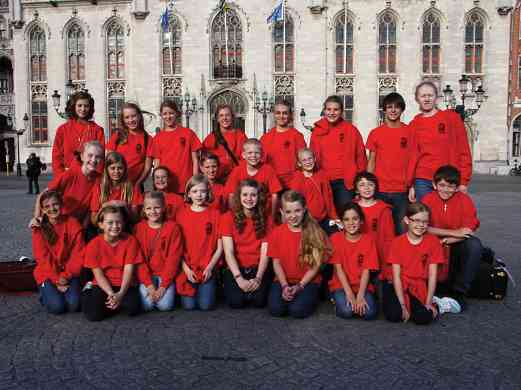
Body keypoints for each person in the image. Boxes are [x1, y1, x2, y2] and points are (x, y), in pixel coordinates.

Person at [383, 203, 459, 325]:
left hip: (419, 286)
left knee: (423, 318)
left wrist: (428, 303)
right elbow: (396, 276)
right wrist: (402, 305)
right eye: (417, 220)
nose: (421, 225)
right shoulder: (397, 242)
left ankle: (439, 304)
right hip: (399, 284)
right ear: (407, 220)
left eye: (425, 222)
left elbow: (433, 276)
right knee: (394, 315)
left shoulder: (433, 242)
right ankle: (406, 305)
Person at [422, 165, 482, 310]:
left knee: (474, 245)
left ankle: (459, 292)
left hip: (455, 244)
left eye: (451, 186)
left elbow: (468, 231)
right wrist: (453, 233)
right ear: (434, 185)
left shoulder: (465, 200)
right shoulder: (427, 199)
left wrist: (447, 240)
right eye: (441, 185)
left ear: (456, 188)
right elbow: (421, 227)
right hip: (432, 243)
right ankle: (426, 287)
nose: (446, 190)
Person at [268, 190, 332, 319]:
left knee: (296, 311)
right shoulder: (277, 232)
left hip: (307, 281)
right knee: (276, 310)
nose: (293, 216)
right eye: (288, 212)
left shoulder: (315, 231)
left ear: (304, 210)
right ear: (282, 212)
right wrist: (284, 285)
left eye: (297, 211)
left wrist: (300, 286)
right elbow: (276, 262)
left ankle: (312, 296)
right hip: (283, 279)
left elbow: (315, 266)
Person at [407, 81, 472, 202]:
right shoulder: (414, 124)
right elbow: (412, 156)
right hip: (423, 180)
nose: (427, 99)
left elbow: (464, 151)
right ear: (417, 99)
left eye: (430, 95)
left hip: (448, 180)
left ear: (436, 97)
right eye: (423, 96)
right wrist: (411, 185)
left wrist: (463, 181)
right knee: (425, 218)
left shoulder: (452, 119)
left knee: (447, 219)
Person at [82, 205, 143, 321]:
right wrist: (111, 294)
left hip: (124, 282)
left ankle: (114, 304)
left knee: (133, 309)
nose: (115, 226)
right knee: (94, 316)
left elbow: (128, 270)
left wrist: (120, 294)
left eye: (118, 222)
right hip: (104, 282)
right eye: (110, 223)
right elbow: (98, 274)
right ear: (101, 225)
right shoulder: (94, 245)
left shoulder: (130, 241)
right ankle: (87, 291)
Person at [221, 179, 273, 308]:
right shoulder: (227, 217)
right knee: (236, 302)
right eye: (245, 195)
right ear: (239, 197)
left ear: (259, 197)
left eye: (253, 195)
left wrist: (258, 278)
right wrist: (239, 278)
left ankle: (252, 290)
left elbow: (265, 252)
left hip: (257, 267)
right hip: (236, 268)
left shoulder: (267, 219)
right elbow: (229, 252)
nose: (249, 199)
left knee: (259, 302)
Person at [310, 95, 367, 212]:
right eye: (329, 109)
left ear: (341, 111)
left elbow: (361, 157)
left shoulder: (351, 130)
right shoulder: (317, 131)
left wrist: (361, 183)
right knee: (325, 216)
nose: (332, 113)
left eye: (336, 109)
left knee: (346, 214)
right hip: (323, 180)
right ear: (324, 111)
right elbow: (312, 157)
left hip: (345, 182)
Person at [31, 191, 84, 314]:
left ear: (61, 205)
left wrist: (65, 277)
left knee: (74, 305)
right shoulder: (38, 227)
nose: (52, 209)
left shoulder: (72, 223)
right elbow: (42, 258)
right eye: (47, 207)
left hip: (69, 272)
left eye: (55, 204)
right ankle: (44, 294)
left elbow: (79, 254)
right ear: (43, 210)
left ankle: (56, 293)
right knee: (57, 307)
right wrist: (56, 280)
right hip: (48, 273)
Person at [175, 175, 223, 310]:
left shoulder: (215, 214)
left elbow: (220, 248)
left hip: (207, 266)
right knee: (189, 306)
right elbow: (176, 247)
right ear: (188, 194)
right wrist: (185, 269)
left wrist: (210, 267)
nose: (199, 195)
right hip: (188, 267)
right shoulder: (180, 214)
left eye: (202, 191)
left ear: (208, 193)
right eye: (195, 191)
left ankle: (213, 285)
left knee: (205, 306)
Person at [366, 92, 410, 234]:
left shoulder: (409, 132)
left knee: (401, 230)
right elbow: (371, 162)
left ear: (402, 109)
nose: (393, 110)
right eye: (389, 107)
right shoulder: (375, 133)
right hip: (380, 189)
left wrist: (412, 185)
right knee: (380, 230)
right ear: (384, 109)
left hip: (402, 190)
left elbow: (413, 160)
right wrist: (367, 186)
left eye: (396, 107)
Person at [329, 202, 379, 320]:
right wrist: (350, 295)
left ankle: (354, 300)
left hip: (362, 285)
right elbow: (339, 269)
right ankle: (335, 300)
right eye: (346, 219)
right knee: (347, 311)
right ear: (341, 223)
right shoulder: (335, 238)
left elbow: (367, 270)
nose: (351, 223)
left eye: (355, 219)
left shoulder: (368, 240)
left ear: (361, 221)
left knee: (369, 313)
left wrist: (360, 296)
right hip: (341, 285)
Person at [135, 191, 183, 312]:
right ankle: (152, 291)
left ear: (163, 208)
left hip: (165, 274)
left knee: (165, 306)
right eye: (149, 208)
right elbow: (138, 260)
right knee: (147, 306)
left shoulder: (173, 228)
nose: (153, 211)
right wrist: (149, 286)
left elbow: (174, 259)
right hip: (147, 274)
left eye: (157, 207)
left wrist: (163, 287)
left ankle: (167, 290)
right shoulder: (139, 228)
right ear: (144, 210)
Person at [43, 141, 104, 227]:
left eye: (98, 157)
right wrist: (37, 216)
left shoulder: (99, 179)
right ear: (82, 157)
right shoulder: (71, 173)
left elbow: (90, 209)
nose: (93, 160)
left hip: (80, 223)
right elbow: (45, 193)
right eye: (90, 155)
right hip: (62, 221)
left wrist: (83, 227)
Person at [150, 100, 201, 194]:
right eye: (165, 114)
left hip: (186, 185)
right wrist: (156, 185)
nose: (168, 117)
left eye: (171, 113)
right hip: (165, 186)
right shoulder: (157, 138)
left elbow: (195, 160)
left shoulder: (188, 133)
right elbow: (157, 164)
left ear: (177, 114)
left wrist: (195, 182)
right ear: (161, 115)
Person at [224, 139, 283, 219]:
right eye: (250, 153)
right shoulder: (237, 171)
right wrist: (236, 215)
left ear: (262, 155)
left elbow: (275, 195)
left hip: (264, 213)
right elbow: (231, 195)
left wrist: (272, 216)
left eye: (257, 153)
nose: (253, 156)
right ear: (243, 155)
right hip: (244, 212)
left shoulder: (268, 170)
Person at [52, 91, 105, 177]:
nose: (83, 109)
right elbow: (56, 157)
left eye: (86, 106)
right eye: (79, 105)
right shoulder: (62, 129)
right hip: (68, 177)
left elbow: (101, 157)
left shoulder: (97, 130)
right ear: (74, 107)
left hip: (90, 177)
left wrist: (95, 178)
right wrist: (61, 177)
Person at [354, 172, 395, 278]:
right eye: (362, 185)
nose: (367, 188)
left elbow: (389, 239)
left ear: (376, 187)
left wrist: (388, 266)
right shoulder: (352, 207)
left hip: (378, 257)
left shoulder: (384, 209)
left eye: (370, 184)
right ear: (357, 190)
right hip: (357, 257)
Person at [289, 147, 339, 234]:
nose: (308, 162)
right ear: (299, 163)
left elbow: (328, 198)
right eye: (304, 160)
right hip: (307, 221)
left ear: (315, 159)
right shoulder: (297, 180)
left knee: (336, 235)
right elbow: (295, 204)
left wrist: (335, 218)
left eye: (310, 158)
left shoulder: (321, 175)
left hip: (324, 219)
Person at [260, 100, 306, 189]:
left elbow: (304, 162)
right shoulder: (265, 138)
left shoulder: (297, 136)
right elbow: (262, 164)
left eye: (285, 113)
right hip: (273, 185)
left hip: (293, 185)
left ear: (290, 115)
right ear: (274, 115)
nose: (281, 116)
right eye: (278, 113)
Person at [106, 103, 153, 188]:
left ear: (139, 116)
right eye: (127, 117)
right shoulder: (118, 135)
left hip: (135, 186)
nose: (131, 120)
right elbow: (108, 162)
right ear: (123, 120)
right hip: (115, 185)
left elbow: (147, 168)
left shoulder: (148, 139)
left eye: (133, 116)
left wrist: (137, 184)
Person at [90, 151, 143, 226]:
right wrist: (104, 207)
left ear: (125, 169)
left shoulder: (133, 187)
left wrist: (125, 207)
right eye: (112, 168)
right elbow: (93, 220)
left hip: (126, 226)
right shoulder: (99, 187)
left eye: (120, 168)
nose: (116, 171)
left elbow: (135, 219)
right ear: (107, 169)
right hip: (105, 228)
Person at [203, 104, 247, 180]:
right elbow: (203, 159)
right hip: (216, 178)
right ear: (217, 119)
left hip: (235, 177)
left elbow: (245, 159)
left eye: (227, 115)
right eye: (221, 115)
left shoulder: (240, 136)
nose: (225, 118)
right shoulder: (211, 137)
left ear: (232, 117)